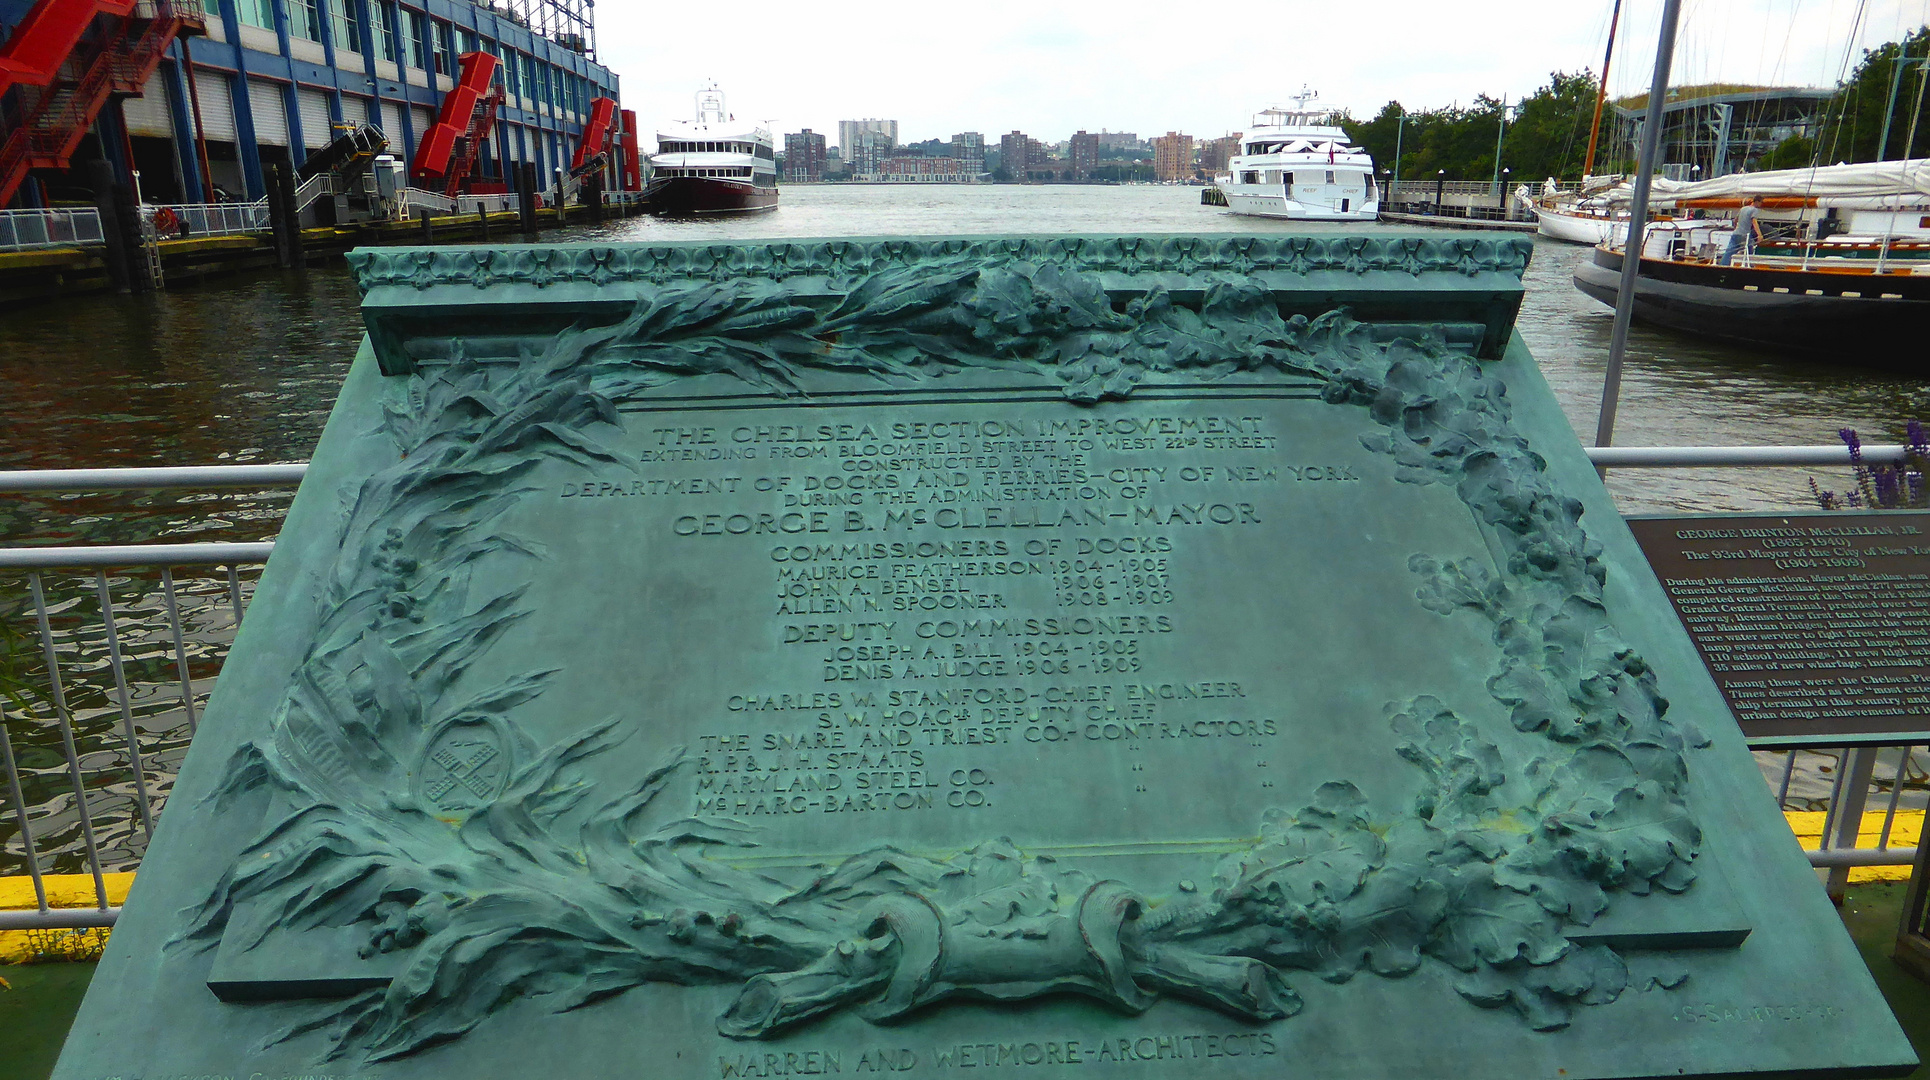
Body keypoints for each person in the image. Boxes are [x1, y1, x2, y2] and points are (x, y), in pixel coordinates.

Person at [1718, 195, 1764, 265]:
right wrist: (1759, 235)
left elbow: (1735, 220)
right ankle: (1749, 266)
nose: (1761, 205)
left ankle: (1723, 265)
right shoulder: (1754, 210)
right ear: (1757, 202)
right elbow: (1754, 222)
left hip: (1736, 233)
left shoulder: (1743, 208)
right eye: (1761, 202)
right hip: (1745, 235)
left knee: (1729, 251)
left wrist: (1736, 228)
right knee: (1749, 251)